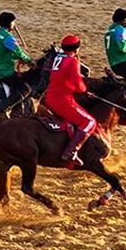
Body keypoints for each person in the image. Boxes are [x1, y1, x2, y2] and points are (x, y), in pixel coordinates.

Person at [43, 34, 97, 168]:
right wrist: (85, 91)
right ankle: (70, 152)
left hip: (50, 96)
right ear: (77, 48)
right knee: (90, 122)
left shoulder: (58, 58)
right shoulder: (73, 61)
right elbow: (77, 83)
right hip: (62, 100)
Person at [0, 12, 34, 109]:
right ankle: (4, 108)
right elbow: (19, 52)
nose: (15, 24)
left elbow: (7, 52)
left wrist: (17, 57)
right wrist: (30, 61)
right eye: (13, 22)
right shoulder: (8, 38)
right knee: (25, 89)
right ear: (10, 24)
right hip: (4, 71)